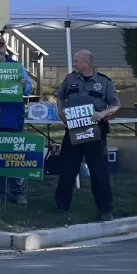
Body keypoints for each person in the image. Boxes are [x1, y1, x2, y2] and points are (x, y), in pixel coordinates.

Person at [54, 50, 120, 221]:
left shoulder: (104, 82)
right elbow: (59, 96)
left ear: (86, 64)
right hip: (73, 130)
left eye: (76, 61)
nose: (73, 63)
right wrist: (60, 112)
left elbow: (115, 104)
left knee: (99, 172)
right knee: (67, 169)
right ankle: (62, 206)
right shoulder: (70, 79)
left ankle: (105, 209)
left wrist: (103, 113)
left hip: (95, 132)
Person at [0, 36, 33, 205]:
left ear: (6, 47)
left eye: (1, 46)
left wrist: (24, 86)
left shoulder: (16, 66)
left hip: (13, 115)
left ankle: (19, 192)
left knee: (16, 154)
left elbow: (29, 89)